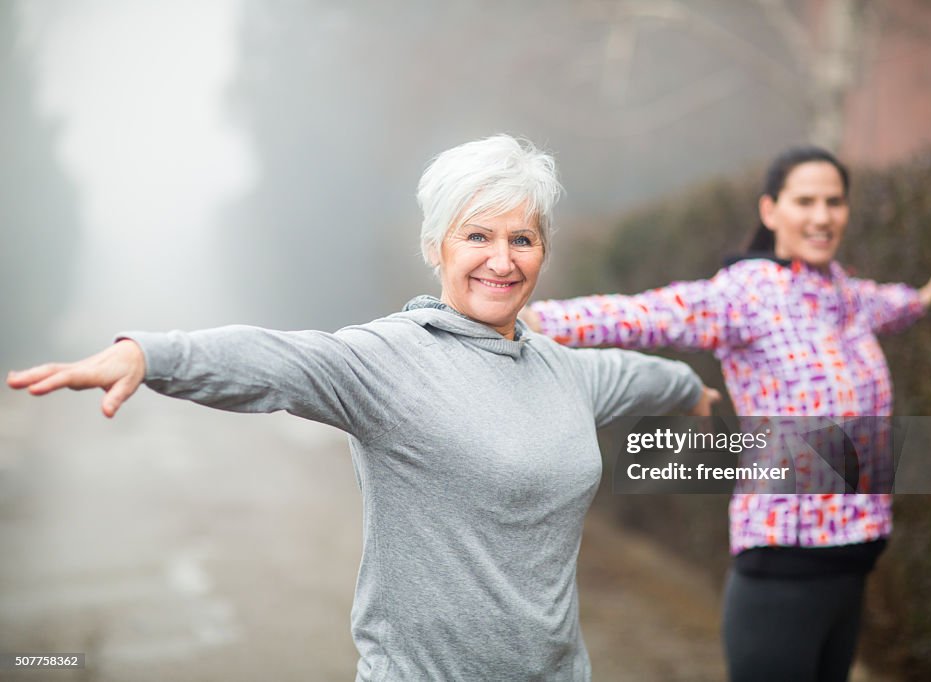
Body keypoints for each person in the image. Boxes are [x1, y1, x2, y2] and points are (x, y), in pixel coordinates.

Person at [7, 134, 718, 681]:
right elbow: (276, 360)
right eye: (478, 235)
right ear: (437, 247)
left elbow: (635, 376)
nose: (502, 259)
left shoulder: (565, 371)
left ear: (541, 253)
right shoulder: (389, 360)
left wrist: (692, 391)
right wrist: (151, 354)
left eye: (521, 239)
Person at [523, 146, 931, 682]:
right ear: (770, 211)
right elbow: (651, 314)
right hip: (783, 565)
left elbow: (887, 304)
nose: (822, 216)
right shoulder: (749, 295)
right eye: (805, 201)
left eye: (834, 202)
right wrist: (538, 319)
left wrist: (921, 299)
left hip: (855, 558)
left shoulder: (844, 295)